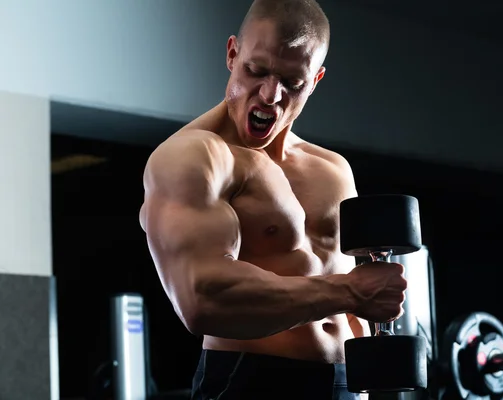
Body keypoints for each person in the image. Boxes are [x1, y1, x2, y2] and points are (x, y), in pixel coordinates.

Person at [139, 0, 408, 398]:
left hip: (349, 384)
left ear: (315, 80)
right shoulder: (194, 157)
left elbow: (363, 297)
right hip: (251, 380)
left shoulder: (333, 169)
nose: (269, 95)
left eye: (292, 82)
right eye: (256, 71)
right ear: (233, 54)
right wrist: (348, 292)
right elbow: (202, 299)